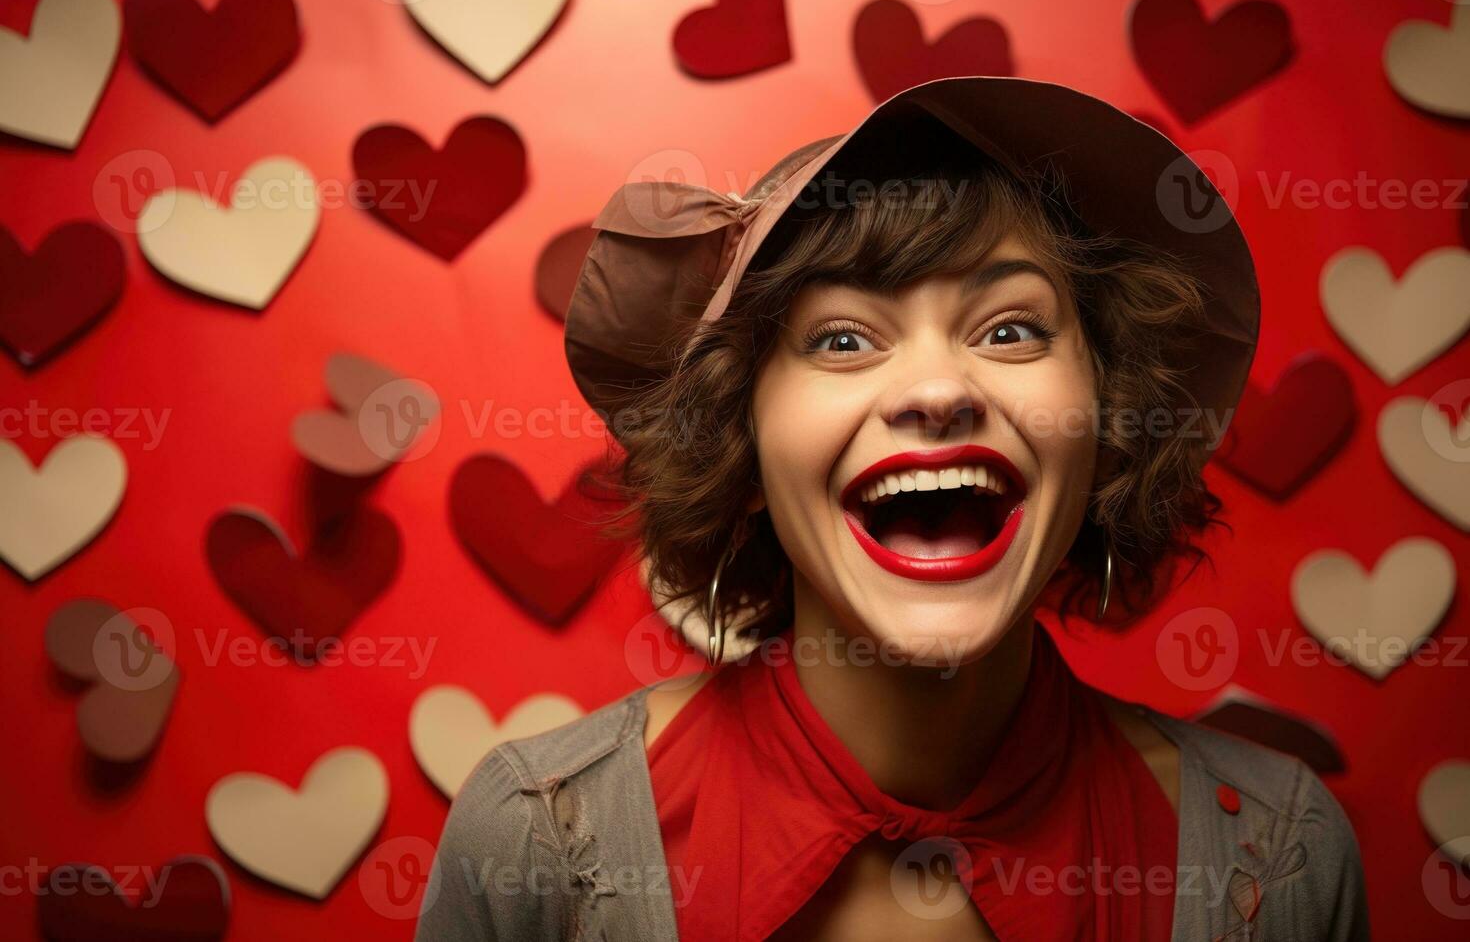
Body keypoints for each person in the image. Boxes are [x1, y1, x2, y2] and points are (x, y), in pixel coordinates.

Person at [415, 76, 1370, 941]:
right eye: (840, 339)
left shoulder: (1279, 861)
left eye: (1010, 329)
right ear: (739, 449)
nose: (938, 389)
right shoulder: (535, 845)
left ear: (1107, 427)